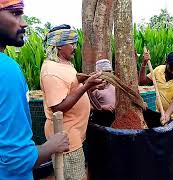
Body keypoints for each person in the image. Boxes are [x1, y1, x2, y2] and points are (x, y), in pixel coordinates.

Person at [0, 0, 69, 179]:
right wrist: (51, 146)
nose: (24, 22)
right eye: (15, 13)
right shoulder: (2, 69)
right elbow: (16, 159)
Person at [40, 25, 105, 180]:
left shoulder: (63, 63)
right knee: (74, 176)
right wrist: (87, 86)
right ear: (60, 45)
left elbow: (71, 81)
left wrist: (87, 78)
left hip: (73, 133)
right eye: (72, 44)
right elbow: (58, 107)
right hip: (66, 137)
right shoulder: (51, 71)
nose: (75, 47)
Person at [139, 50, 173, 180]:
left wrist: (168, 114)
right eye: (171, 68)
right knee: (161, 149)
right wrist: (144, 63)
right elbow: (142, 81)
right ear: (166, 63)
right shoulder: (157, 70)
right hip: (159, 116)